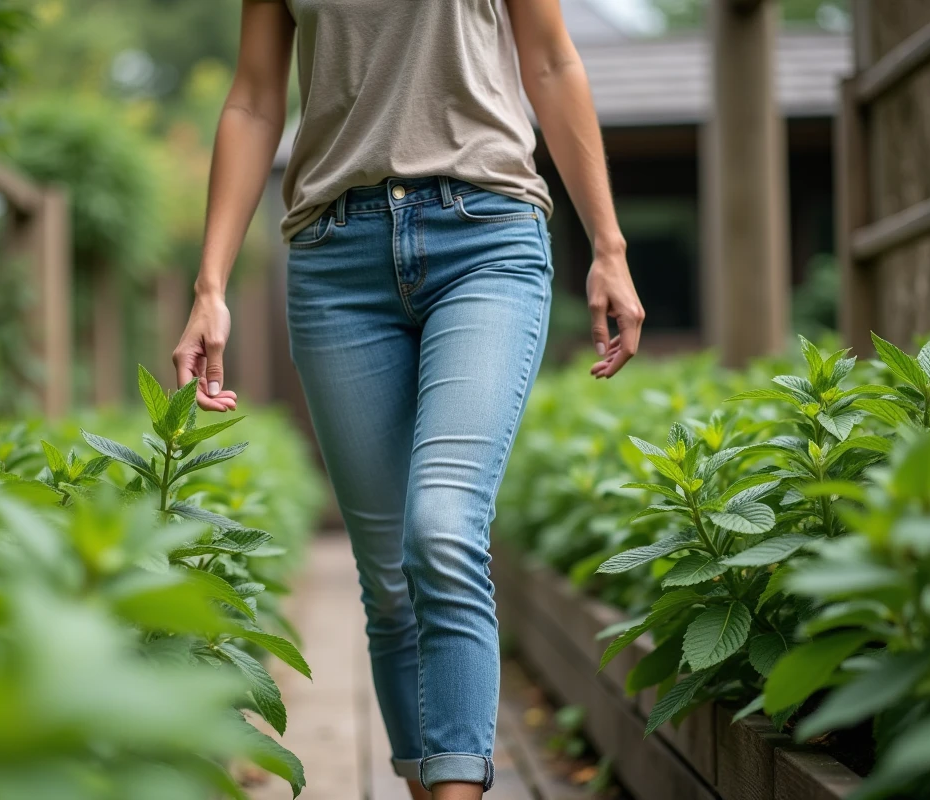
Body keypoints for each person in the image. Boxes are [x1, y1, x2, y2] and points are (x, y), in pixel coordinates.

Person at [173, 1, 645, 797]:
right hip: (334, 258)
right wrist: (210, 284)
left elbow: (553, 61)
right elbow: (255, 98)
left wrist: (609, 244)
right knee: (390, 580)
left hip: (485, 232)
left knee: (442, 528)